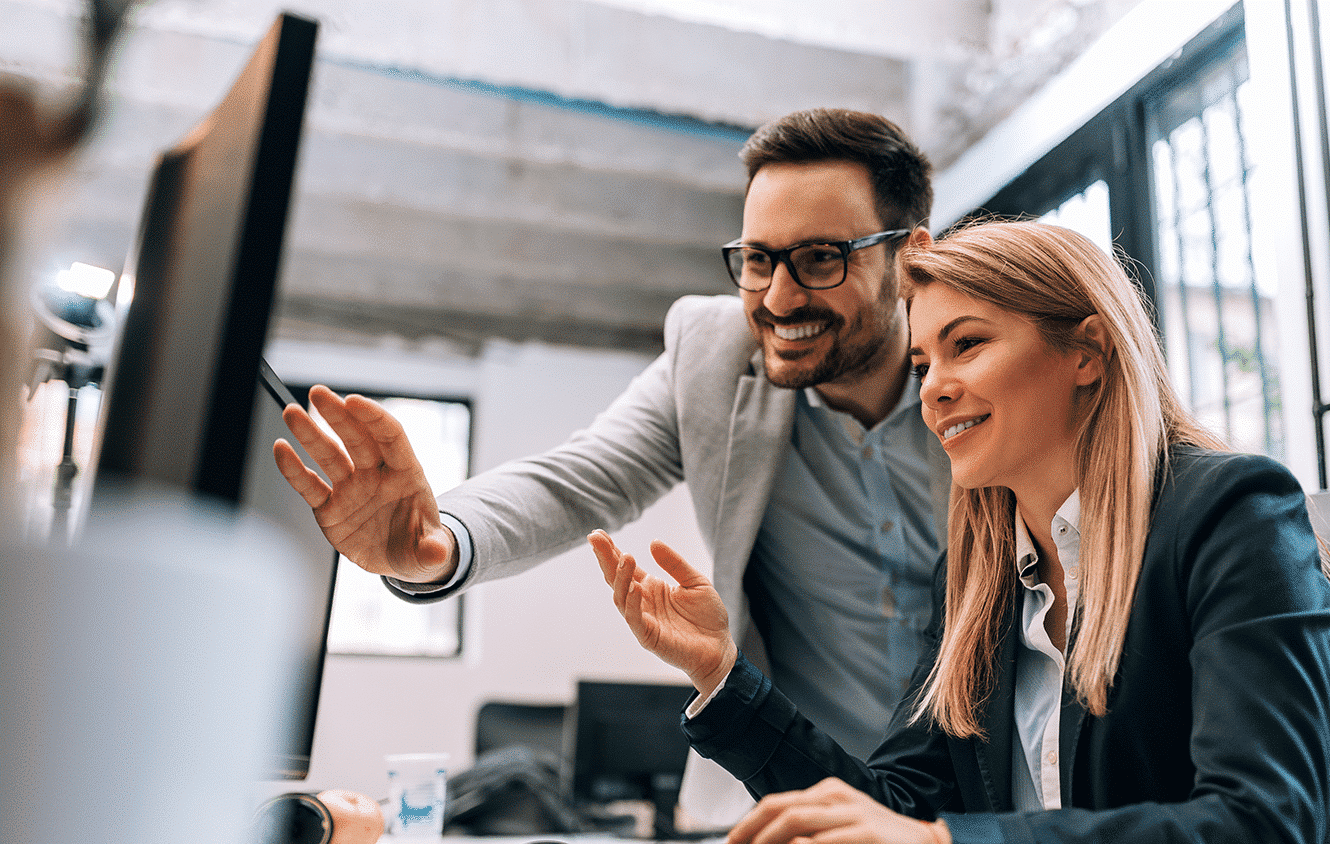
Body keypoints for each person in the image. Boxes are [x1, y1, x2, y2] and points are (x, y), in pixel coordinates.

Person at [590, 219, 1330, 844]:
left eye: (968, 344)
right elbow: (891, 808)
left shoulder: (1233, 515)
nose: (935, 389)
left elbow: (1265, 823)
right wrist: (722, 674)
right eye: (924, 362)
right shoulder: (974, 578)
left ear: (1086, 352)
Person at [273, 109, 951, 767]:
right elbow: (578, 480)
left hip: (991, 800)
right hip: (801, 792)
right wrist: (438, 542)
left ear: (912, 257)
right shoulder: (714, 356)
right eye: (757, 259)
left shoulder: (988, 380)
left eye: (820, 258)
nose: (777, 298)